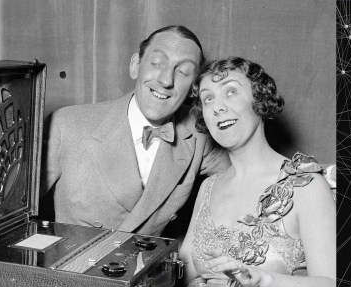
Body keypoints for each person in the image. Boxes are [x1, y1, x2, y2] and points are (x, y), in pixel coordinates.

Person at [178, 57, 336, 287]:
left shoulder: (305, 185)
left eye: (230, 91)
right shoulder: (208, 187)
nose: (217, 106)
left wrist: (263, 280)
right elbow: (183, 266)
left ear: (259, 100)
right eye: (208, 98)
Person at [41, 25, 229, 236]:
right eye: (156, 63)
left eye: (183, 71)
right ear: (135, 66)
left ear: (194, 87)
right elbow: (11, 211)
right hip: (73, 264)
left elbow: (248, 181)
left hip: (149, 266)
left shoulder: (198, 133)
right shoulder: (66, 124)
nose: (166, 80)